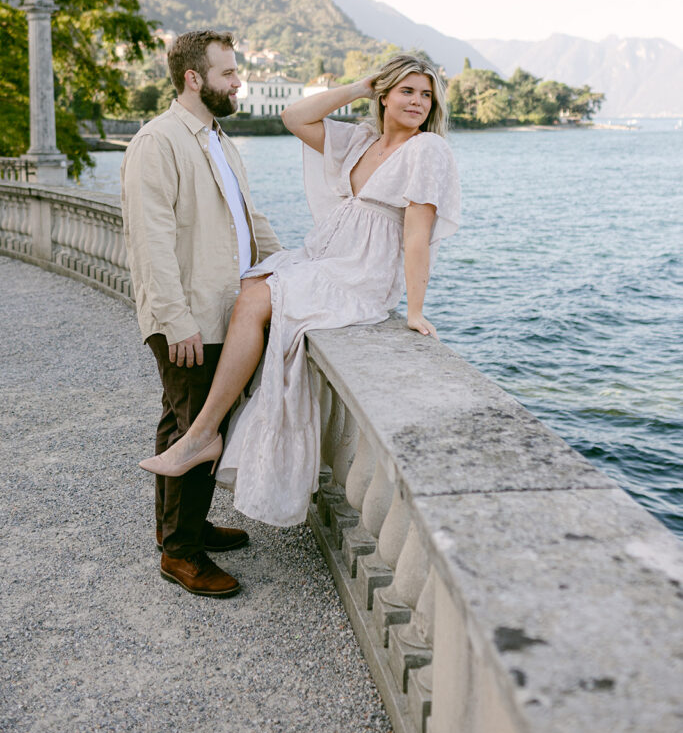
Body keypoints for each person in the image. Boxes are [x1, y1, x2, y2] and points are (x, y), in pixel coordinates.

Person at [139, 53, 460, 529]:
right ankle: (205, 435)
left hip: (360, 272)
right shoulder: (361, 140)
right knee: (249, 288)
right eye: (407, 90)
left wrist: (414, 311)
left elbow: (416, 237)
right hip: (326, 256)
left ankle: (203, 432)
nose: (417, 102)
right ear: (385, 93)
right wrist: (358, 87)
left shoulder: (427, 151)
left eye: (426, 95)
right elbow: (295, 116)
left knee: (257, 299)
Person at [121, 29, 281, 598]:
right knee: (193, 424)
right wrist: (175, 319)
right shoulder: (158, 142)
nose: (239, 82)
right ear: (194, 78)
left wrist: (288, 265)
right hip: (189, 315)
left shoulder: (218, 138)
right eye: (229, 74)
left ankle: (189, 526)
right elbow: (150, 240)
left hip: (224, 308)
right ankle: (180, 553)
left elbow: (247, 218)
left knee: (193, 421)